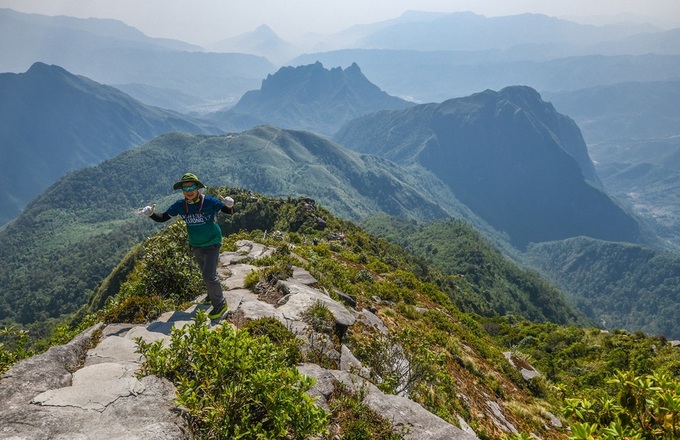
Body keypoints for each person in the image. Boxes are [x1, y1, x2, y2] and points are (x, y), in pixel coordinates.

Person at [138, 172, 235, 320]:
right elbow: (163, 217)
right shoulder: (180, 206)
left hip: (212, 242)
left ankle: (220, 304)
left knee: (209, 274)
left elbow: (228, 212)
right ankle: (211, 295)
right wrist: (151, 214)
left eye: (192, 188)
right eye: (186, 189)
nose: (189, 192)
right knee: (204, 272)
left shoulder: (209, 202)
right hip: (196, 244)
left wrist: (230, 205)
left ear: (198, 188)